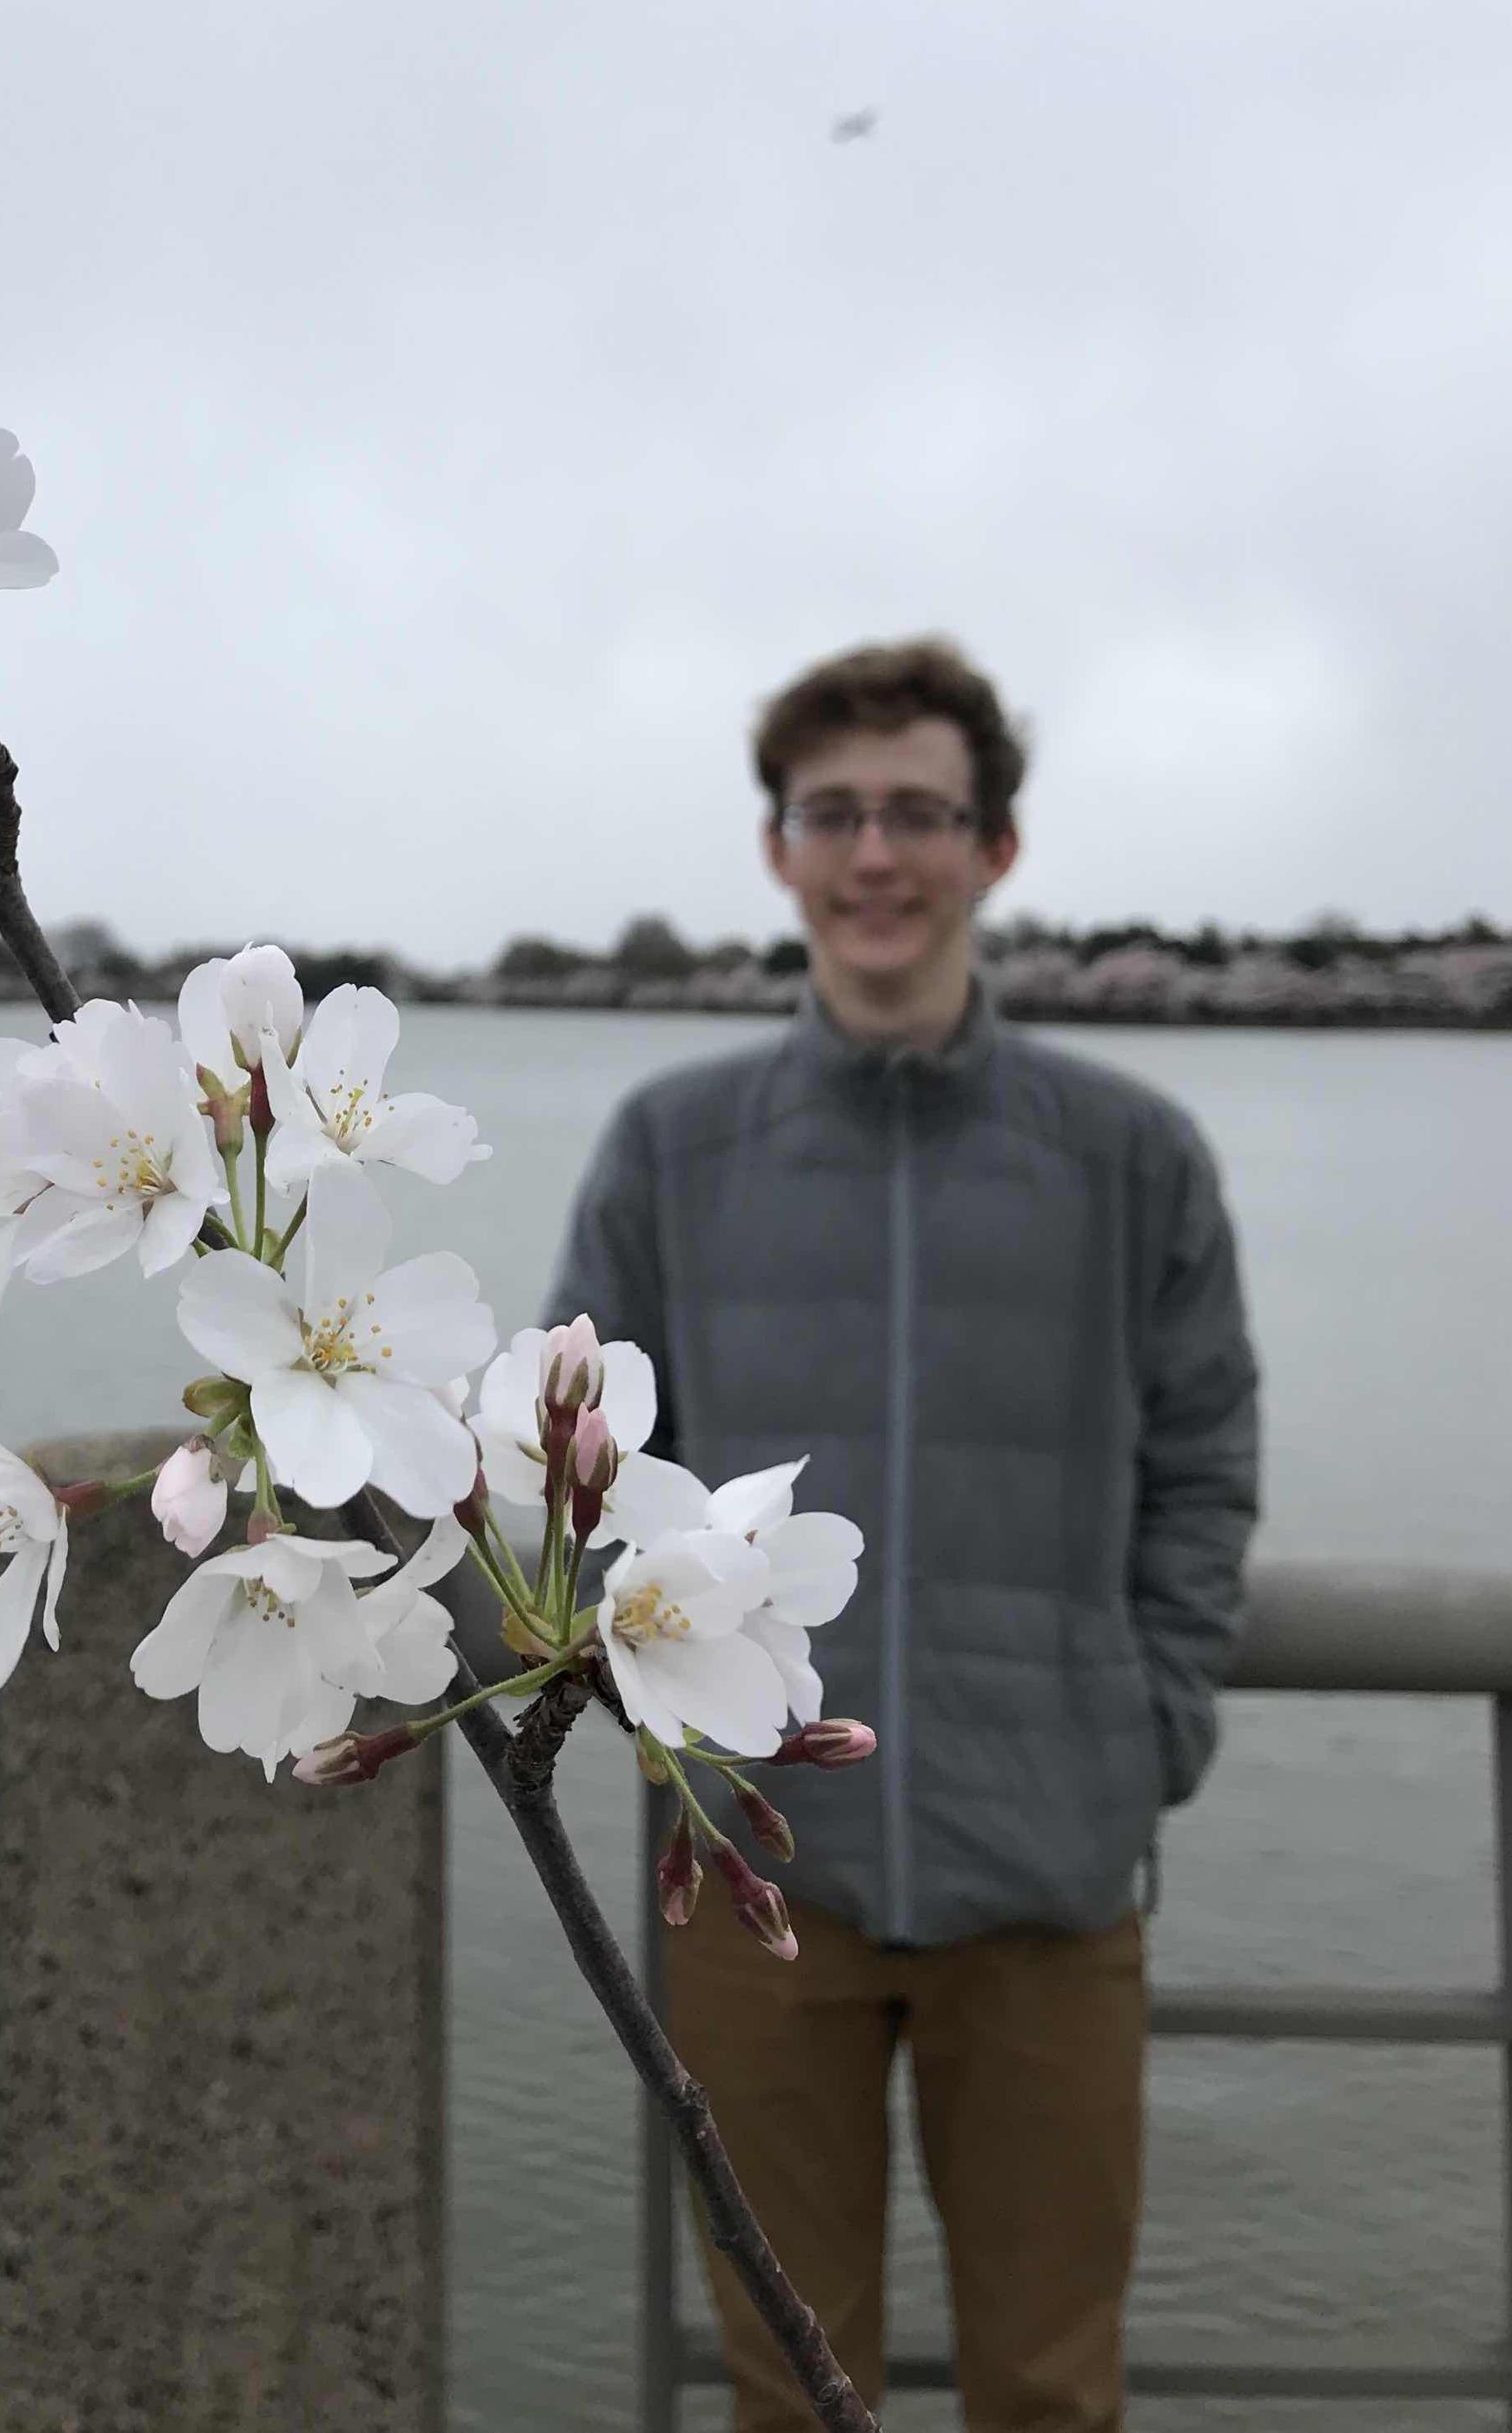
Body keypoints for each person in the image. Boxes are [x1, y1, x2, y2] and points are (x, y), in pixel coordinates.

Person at [545, 636, 1260, 2432]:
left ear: (993, 850)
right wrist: (666, 1744)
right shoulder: (669, 1149)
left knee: (1046, 2391)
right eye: (836, 813)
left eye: (920, 813)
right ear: (778, 848)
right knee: (792, 2392)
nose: (877, 854)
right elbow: (570, 1469)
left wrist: (1144, 1725)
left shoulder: (1131, 1155)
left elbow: (1205, 1459)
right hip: (759, 1866)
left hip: (1053, 1866)